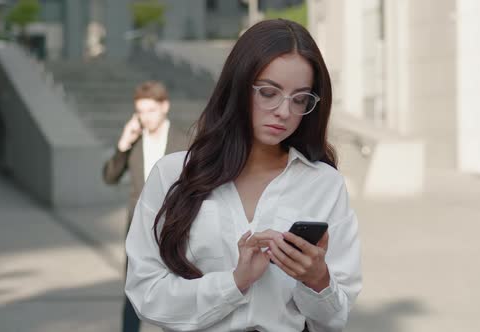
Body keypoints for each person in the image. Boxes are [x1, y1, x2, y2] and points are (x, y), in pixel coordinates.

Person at [125, 19, 362, 332]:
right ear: (237, 86)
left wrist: (317, 280)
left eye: (300, 98)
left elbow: (334, 319)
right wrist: (234, 283)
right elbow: (146, 295)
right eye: (268, 92)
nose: (284, 111)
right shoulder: (173, 175)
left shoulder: (323, 183)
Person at [102, 81, 188, 332]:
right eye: (140, 111)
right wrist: (123, 145)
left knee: (175, 295)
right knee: (133, 295)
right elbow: (109, 177)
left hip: (174, 230)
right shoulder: (135, 140)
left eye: (150, 110)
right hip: (138, 230)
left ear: (165, 106)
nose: (145, 117)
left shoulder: (184, 140)